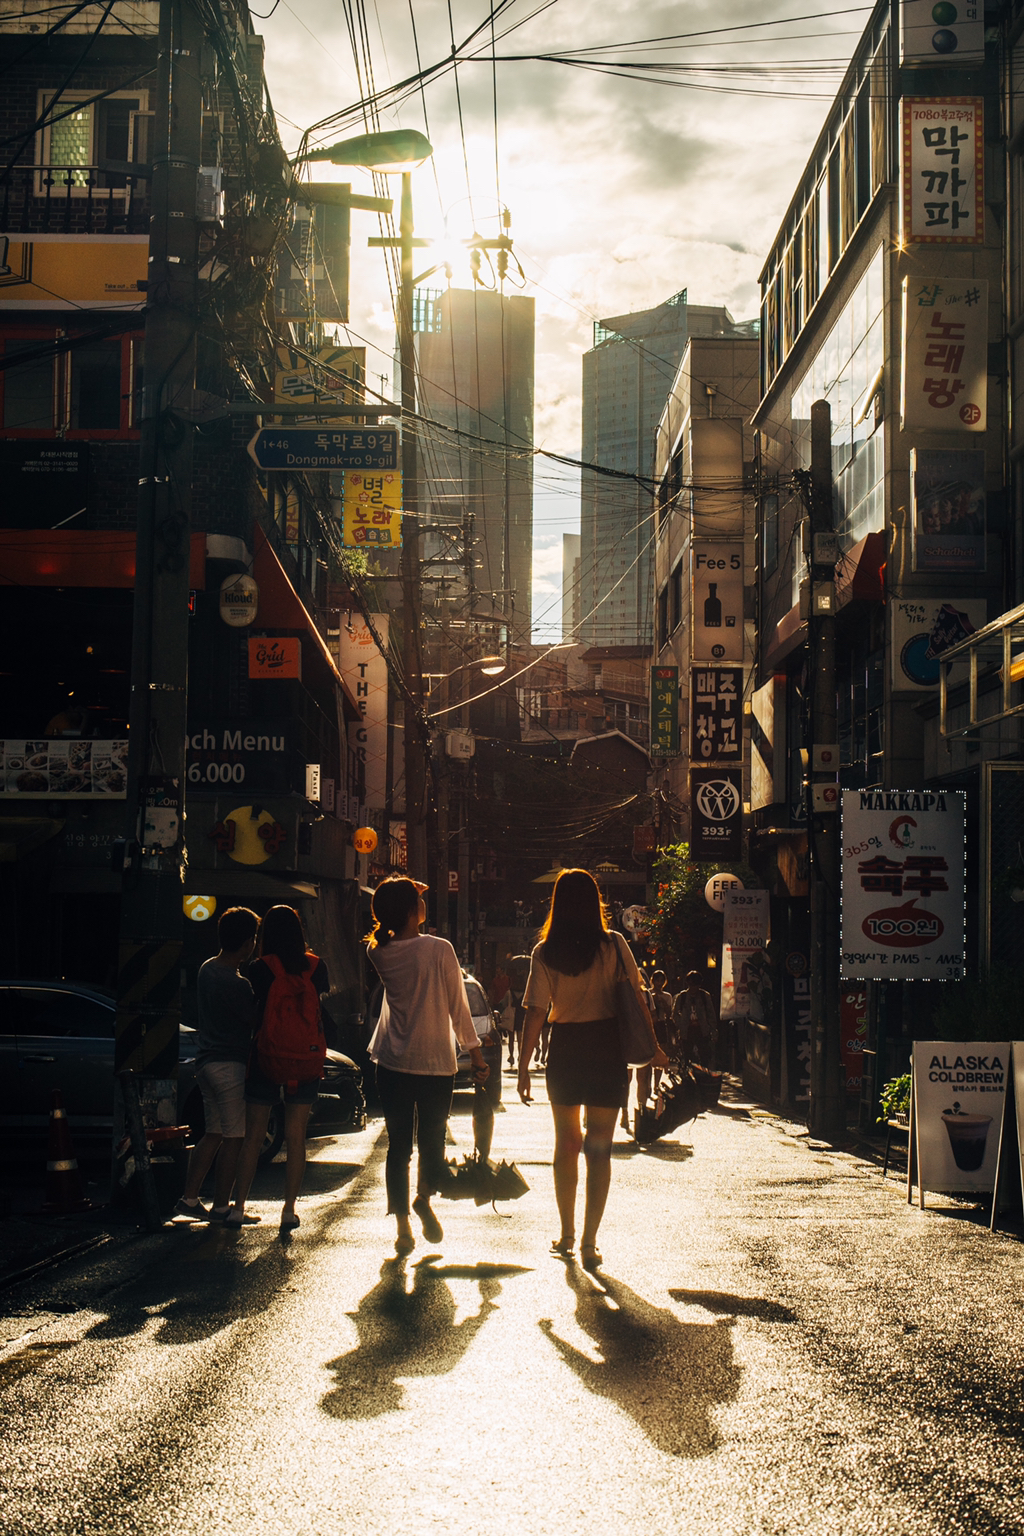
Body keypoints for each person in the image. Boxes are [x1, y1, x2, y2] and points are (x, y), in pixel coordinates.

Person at [518, 868, 667, 1272]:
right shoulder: (616, 945)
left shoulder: (545, 952)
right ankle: (589, 1243)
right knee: (599, 1147)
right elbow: (637, 999)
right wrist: (654, 1048)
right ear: (595, 902)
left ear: (557, 904)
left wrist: (525, 1066)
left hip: (566, 1049)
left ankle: (566, 1235)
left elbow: (535, 1012)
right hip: (607, 1049)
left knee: (566, 1144)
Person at [366, 877, 488, 1256]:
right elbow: (458, 1007)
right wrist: (478, 1056)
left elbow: (386, 929)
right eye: (419, 900)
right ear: (409, 911)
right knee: (431, 1144)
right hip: (436, 1062)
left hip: (391, 1061)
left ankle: (403, 1226)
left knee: (398, 1147)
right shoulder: (438, 949)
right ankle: (422, 1198)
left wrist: (402, 888)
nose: (425, 903)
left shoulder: (379, 952)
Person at [225, 905, 329, 1233]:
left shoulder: (260, 968)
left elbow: (250, 1012)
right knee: (296, 1136)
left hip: (266, 1057)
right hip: (305, 1059)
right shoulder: (317, 966)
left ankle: (238, 1208)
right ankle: (288, 1210)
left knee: (254, 1134)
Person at [174, 906, 260, 1222]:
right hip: (230, 1066)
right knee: (235, 1137)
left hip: (206, 1062)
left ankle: (190, 1198)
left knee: (212, 1134)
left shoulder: (207, 969)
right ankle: (222, 1207)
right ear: (248, 942)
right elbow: (253, 1020)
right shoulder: (237, 983)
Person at [636, 969, 677, 1112]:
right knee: (645, 1065)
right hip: (644, 1030)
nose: (659, 983)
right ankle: (644, 1090)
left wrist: (661, 1002)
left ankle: (656, 1084)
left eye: (661, 980)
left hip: (659, 1026)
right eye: (657, 980)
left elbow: (669, 1013)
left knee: (659, 1054)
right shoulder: (646, 994)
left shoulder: (666, 996)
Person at [672, 971, 718, 1067]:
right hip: (687, 1030)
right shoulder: (682, 996)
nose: (693, 988)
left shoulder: (705, 996)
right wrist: (681, 1025)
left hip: (702, 1030)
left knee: (704, 1055)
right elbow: (675, 1014)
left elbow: (711, 1014)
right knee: (687, 1056)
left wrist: (713, 1030)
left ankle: (703, 1075)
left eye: (695, 985)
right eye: (691, 985)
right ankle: (688, 1075)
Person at [506, 951, 532, 1070]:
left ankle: (511, 1055)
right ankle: (520, 1056)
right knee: (520, 1037)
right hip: (521, 1015)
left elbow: (505, 1002)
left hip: (512, 1015)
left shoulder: (510, 991)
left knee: (511, 1038)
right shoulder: (525, 992)